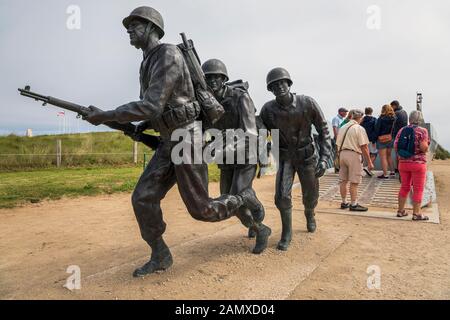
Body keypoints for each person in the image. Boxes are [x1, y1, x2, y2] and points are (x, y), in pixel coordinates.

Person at [83, 6, 269, 277]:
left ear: (151, 28)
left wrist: (106, 115)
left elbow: (151, 105)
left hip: (186, 138)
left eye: (135, 26)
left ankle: (244, 199)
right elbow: (156, 110)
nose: (129, 31)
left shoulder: (167, 54)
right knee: (143, 197)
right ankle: (160, 255)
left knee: (202, 209)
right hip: (169, 139)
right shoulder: (146, 62)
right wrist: (130, 125)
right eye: (129, 27)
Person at [260, 67, 332, 251]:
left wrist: (324, 158)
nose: (279, 87)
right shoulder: (268, 110)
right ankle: (287, 232)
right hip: (285, 158)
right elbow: (261, 134)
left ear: (289, 84)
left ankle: (310, 213)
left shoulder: (307, 103)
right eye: (274, 85)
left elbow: (324, 131)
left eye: (282, 83)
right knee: (281, 196)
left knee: (310, 195)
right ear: (270, 89)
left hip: (307, 156)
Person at [201, 58, 271, 245]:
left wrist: (218, 148)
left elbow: (250, 133)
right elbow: (204, 130)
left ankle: (259, 222)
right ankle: (256, 224)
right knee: (228, 201)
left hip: (246, 154)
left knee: (234, 198)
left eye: (217, 77)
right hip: (226, 159)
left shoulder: (240, 98)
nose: (213, 81)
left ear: (224, 78)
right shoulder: (206, 102)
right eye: (209, 78)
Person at [394, 110, 430, 221]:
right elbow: (424, 147)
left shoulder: (402, 130)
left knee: (405, 186)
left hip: (403, 163)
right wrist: (427, 147)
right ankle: (416, 214)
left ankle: (400, 211)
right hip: (418, 164)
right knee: (418, 189)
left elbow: (396, 146)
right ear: (420, 119)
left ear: (410, 119)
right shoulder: (422, 131)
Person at [336, 109, 374, 211]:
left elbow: (337, 143)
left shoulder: (343, 127)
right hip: (353, 154)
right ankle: (354, 204)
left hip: (342, 154)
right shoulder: (359, 128)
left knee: (343, 180)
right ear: (360, 117)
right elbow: (364, 146)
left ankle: (344, 202)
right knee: (354, 181)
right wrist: (369, 162)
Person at [375, 104, 396, 179]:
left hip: (381, 140)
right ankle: (392, 172)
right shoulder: (393, 118)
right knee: (389, 156)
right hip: (390, 139)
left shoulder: (381, 118)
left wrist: (374, 139)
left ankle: (385, 174)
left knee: (383, 157)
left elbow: (377, 130)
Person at [391, 100, 408, 173]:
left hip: (397, 135)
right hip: (404, 134)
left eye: (391, 106)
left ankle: (398, 168)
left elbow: (392, 124)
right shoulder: (404, 112)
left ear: (394, 106)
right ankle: (402, 168)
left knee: (397, 153)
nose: (391, 108)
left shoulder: (396, 113)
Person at [360, 107, 378, 175]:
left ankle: (361, 169)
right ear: (371, 112)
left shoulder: (361, 120)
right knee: (374, 153)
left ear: (365, 112)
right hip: (371, 140)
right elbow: (375, 131)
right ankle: (368, 167)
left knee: (364, 154)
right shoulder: (374, 120)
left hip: (363, 140)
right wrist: (374, 141)